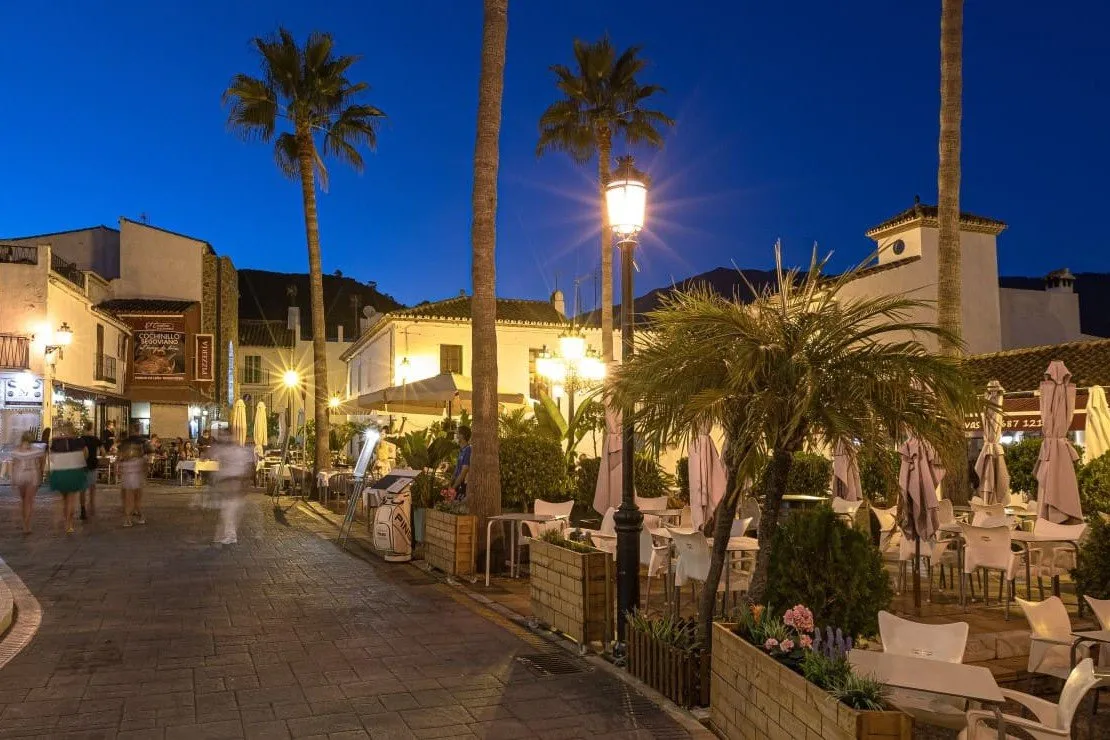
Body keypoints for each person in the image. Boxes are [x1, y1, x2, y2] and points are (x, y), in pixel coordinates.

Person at [211, 429, 253, 545]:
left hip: (233, 483)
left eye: (224, 436)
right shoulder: (227, 450)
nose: (223, 438)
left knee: (228, 511)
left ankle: (230, 536)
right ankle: (225, 534)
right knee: (227, 511)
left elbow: (244, 469)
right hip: (228, 484)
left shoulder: (237, 451)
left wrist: (243, 484)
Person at [49, 423, 88, 534]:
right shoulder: (79, 441)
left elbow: (52, 458)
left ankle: (66, 520)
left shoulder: (57, 442)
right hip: (74, 471)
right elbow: (85, 454)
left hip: (60, 472)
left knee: (64, 499)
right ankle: (69, 524)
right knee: (71, 498)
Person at [11, 432, 45, 534]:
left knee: (23, 501)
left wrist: (13, 480)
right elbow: (42, 461)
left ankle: (24, 523)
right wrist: (41, 471)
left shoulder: (16, 450)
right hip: (32, 475)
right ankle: (27, 525)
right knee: (29, 501)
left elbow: (14, 465)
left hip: (20, 475)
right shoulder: (36, 450)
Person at [117, 423, 147, 526]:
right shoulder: (142, 441)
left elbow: (119, 456)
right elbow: (146, 457)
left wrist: (119, 467)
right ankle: (139, 516)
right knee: (136, 496)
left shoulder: (125, 442)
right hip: (137, 470)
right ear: (138, 430)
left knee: (128, 496)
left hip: (127, 469)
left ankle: (128, 519)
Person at [79, 421, 103, 519]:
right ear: (92, 428)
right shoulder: (96, 439)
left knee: (82, 490)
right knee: (92, 488)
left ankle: (83, 510)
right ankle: (92, 506)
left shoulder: (80, 439)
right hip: (93, 465)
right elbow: (103, 452)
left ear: (84, 428)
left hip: (82, 466)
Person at [450, 425, 472, 501]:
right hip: (457, 484)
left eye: (457, 433)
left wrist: (453, 488)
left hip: (463, 485)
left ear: (462, 436)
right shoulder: (462, 450)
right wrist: (450, 483)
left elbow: (464, 472)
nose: (455, 436)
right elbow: (457, 469)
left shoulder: (468, 450)